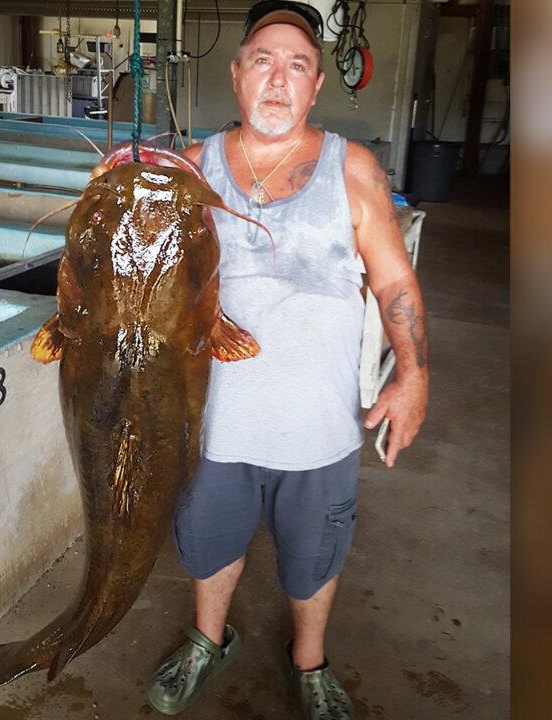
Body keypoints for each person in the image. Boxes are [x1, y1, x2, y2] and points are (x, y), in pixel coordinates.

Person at [146, 1, 429, 717]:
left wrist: (414, 374)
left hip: (320, 426)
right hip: (213, 426)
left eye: (298, 65)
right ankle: (209, 639)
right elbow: (147, 284)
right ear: (238, 74)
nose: (279, 79)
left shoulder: (352, 167)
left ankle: (309, 662)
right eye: (264, 62)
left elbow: (395, 280)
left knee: (312, 560)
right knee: (209, 548)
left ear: (315, 87)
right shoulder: (192, 168)